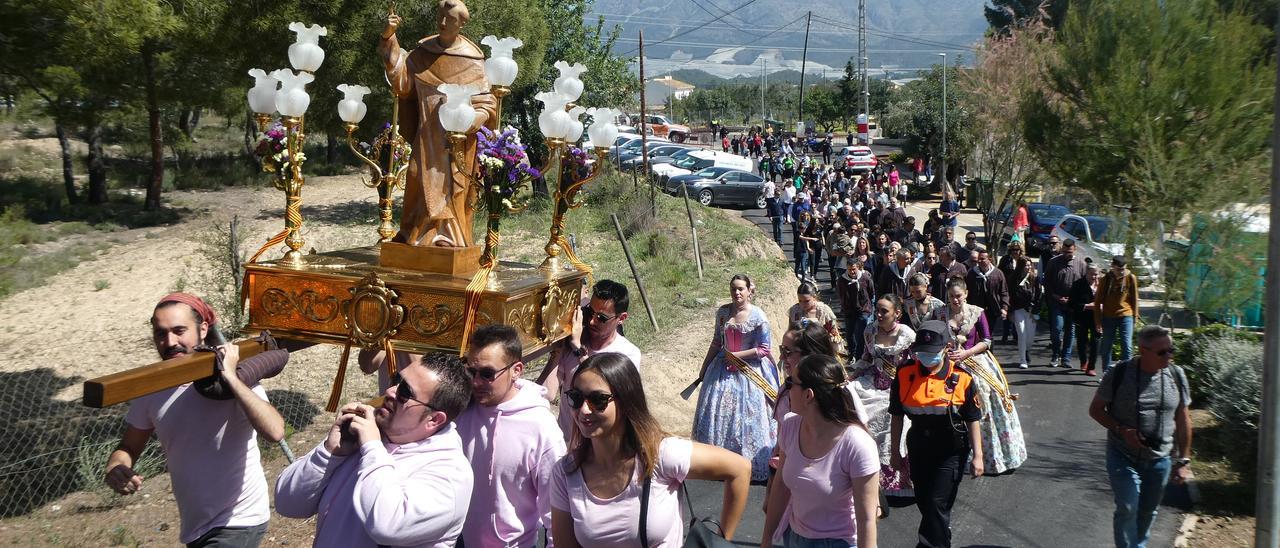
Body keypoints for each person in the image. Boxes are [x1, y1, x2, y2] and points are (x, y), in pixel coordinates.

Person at [106, 294, 284, 547]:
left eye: (179, 331)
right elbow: (129, 447)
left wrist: (231, 378)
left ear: (202, 330)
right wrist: (116, 466)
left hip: (238, 520)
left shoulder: (232, 378)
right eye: (160, 334)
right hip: (195, 526)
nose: (170, 342)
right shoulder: (152, 387)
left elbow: (275, 431)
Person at [550, 354, 752, 547]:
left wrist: (720, 542)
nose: (584, 409)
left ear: (626, 400)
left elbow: (739, 469)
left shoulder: (661, 455)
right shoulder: (566, 473)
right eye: (576, 398)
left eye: (598, 400)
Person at [275, 352, 474, 547]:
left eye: (405, 392)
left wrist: (372, 447)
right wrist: (329, 453)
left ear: (434, 419)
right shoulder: (362, 434)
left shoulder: (451, 474)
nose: (390, 391)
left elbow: (387, 525)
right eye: (396, 380)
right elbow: (287, 502)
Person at [380, 0, 496, 247]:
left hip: (458, 138)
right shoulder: (422, 54)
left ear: (462, 23)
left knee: (454, 184)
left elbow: (487, 101)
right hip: (427, 136)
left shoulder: (472, 59)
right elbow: (402, 83)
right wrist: (390, 38)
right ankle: (415, 233)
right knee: (415, 177)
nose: (443, 23)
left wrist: (476, 118)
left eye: (450, 19)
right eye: (440, 17)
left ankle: (448, 236)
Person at [455, 325, 567, 548]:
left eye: (487, 374)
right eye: (470, 371)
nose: (476, 382)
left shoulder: (540, 428)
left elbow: (556, 510)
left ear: (516, 370)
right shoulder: (460, 408)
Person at [1088, 325, 1193, 548]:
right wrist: (1122, 430)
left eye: (1171, 350)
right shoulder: (1119, 373)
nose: (1169, 356)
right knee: (1128, 505)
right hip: (1122, 454)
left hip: (1160, 458)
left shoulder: (1176, 374)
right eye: (1162, 352)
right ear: (1143, 350)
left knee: (1148, 510)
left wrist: (1183, 460)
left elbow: (1183, 419)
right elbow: (1095, 410)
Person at [762, 354, 880, 548]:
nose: (786, 389)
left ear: (808, 395)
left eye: (791, 382)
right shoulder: (790, 425)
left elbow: (866, 520)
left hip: (838, 543)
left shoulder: (857, 444)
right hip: (794, 537)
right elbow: (781, 485)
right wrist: (766, 539)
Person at [889, 320, 983, 548]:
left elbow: (972, 419)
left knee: (936, 503)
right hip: (919, 446)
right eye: (921, 352)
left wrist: (978, 456)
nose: (926, 358)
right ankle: (939, 537)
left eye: (932, 353)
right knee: (925, 502)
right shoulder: (904, 374)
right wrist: (894, 452)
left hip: (950, 449)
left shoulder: (962, 378)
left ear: (947, 348)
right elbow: (897, 416)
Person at [931, 278, 1027, 475]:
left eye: (958, 296)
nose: (955, 300)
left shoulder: (977, 312)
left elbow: (987, 340)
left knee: (983, 399)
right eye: (951, 297)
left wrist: (966, 353)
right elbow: (935, 338)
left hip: (976, 361)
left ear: (965, 293)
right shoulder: (939, 314)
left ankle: (990, 456)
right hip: (947, 363)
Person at [692, 275, 782, 482]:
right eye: (733, 289)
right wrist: (704, 368)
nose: (737, 293)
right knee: (719, 413)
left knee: (749, 415)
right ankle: (718, 463)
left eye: (741, 288)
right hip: (721, 370)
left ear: (750, 290)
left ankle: (749, 463)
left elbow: (764, 349)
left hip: (751, 371)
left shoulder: (758, 316)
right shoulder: (723, 313)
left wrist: (736, 355)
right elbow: (716, 341)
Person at [540, 279, 642, 438]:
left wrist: (578, 350)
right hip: (567, 443)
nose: (592, 321)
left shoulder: (628, 354)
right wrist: (558, 348)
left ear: (621, 318)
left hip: (600, 450)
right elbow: (546, 394)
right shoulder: (573, 343)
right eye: (589, 312)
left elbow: (605, 391)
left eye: (602, 318)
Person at [850, 293, 917, 498]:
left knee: (891, 419)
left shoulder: (907, 335)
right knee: (852, 408)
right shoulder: (870, 330)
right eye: (877, 310)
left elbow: (915, 366)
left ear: (897, 313)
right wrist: (852, 375)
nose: (878, 314)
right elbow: (866, 358)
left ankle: (893, 480)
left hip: (899, 387)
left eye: (884, 311)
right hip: (872, 383)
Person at [1044, 238, 1088, 368]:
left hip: (1073, 304)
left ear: (1075, 249)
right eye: (1065, 251)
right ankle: (1055, 354)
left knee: (1070, 330)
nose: (1067, 254)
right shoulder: (1053, 262)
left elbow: (1084, 285)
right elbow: (1047, 282)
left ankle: (1066, 358)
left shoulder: (1081, 264)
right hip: (1057, 302)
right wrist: (1055, 296)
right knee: (1057, 329)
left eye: (1069, 252)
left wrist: (1074, 299)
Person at [1096, 255, 1141, 374]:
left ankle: (1126, 374)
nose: (1122, 272)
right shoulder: (1106, 279)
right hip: (1108, 316)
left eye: (1123, 269)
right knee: (1106, 346)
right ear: (1112, 267)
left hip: (1126, 315)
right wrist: (1098, 321)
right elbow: (1097, 301)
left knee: (1127, 345)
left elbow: (1135, 298)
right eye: (1119, 269)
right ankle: (1106, 373)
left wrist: (1135, 316)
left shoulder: (1131, 278)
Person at [998, 242, 1039, 369]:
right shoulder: (1013, 279)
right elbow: (1008, 295)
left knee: (1030, 337)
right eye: (1025, 265)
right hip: (1018, 309)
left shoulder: (1034, 279)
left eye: (1029, 265)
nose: (1028, 267)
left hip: (1031, 311)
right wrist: (1009, 311)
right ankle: (1023, 359)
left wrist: (1036, 309)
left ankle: (1027, 350)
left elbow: (1038, 295)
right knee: (1021, 333)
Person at [790, 281, 845, 356]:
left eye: (807, 301)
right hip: (802, 352)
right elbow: (791, 331)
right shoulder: (795, 311)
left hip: (821, 351)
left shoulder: (823, 311)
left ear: (814, 297)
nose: (803, 304)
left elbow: (833, 332)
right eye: (800, 301)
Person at [836, 257, 876, 358]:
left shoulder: (865, 278)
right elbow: (841, 295)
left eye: (854, 269)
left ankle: (859, 356)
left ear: (858, 268)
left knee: (860, 333)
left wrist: (868, 306)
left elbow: (871, 292)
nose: (852, 271)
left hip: (863, 310)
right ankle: (852, 353)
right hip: (849, 310)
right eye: (849, 269)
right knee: (850, 334)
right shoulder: (842, 280)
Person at [965, 250, 1010, 337]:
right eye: (979, 259)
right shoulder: (972, 273)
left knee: (989, 333)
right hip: (976, 309)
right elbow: (966, 291)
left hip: (992, 310)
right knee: (977, 333)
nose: (979, 261)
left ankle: (989, 349)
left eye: (982, 259)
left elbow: (1004, 291)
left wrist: (1004, 307)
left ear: (989, 259)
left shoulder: (997, 274)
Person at [1071, 264, 1104, 376]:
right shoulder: (1078, 285)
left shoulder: (1101, 285)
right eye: (1092, 274)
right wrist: (1088, 306)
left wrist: (1102, 306)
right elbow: (1072, 304)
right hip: (1082, 317)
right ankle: (1083, 361)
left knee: (1096, 341)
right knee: (1082, 341)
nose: (1094, 277)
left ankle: (1091, 367)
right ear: (1086, 273)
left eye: (1096, 274)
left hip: (1097, 318)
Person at [793, 211, 817, 281]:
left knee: (803, 266)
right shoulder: (797, 233)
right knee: (797, 265)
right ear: (800, 229)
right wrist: (812, 238)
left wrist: (808, 248)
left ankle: (803, 279)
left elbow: (806, 241)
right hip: (798, 251)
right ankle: (795, 277)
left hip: (804, 251)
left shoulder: (804, 233)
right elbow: (803, 238)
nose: (805, 230)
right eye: (804, 229)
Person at [763, 177, 783, 245]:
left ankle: (780, 240)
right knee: (775, 229)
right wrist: (770, 216)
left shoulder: (781, 200)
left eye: (779, 195)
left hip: (780, 216)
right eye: (777, 195)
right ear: (775, 194)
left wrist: (785, 216)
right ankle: (776, 239)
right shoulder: (771, 201)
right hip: (774, 216)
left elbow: (784, 208)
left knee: (780, 228)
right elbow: (769, 209)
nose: (779, 196)